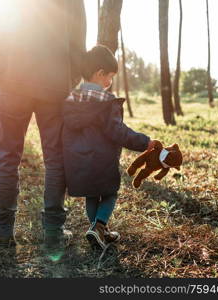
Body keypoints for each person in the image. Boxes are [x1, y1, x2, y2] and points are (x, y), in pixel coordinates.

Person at [0, 0, 87, 248]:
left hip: (13, 82)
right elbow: (78, 39)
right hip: (53, 85)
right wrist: (69, 79)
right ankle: (53, 230)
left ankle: (3, 229)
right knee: (55, 157)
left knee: (7, 154)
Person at [62, 45, 159, 250]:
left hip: (77, 160)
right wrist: (144, 142)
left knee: (91, 195)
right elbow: (118, 131)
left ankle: (99, 231)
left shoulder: (70, 99)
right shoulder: (106, 102)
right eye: (110, 76)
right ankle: (99, 227)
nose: (110, 82)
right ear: (100, 73)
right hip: (101, 160)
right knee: (109, 193)